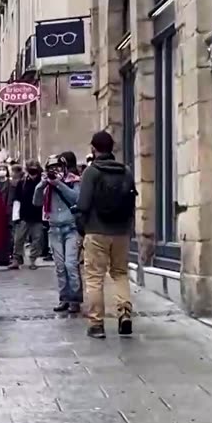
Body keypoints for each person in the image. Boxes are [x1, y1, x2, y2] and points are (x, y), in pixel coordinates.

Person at [78, 131, 137, 339]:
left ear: (94, 148)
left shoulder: (91, 172)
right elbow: (131, 202)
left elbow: (83, 204)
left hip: (96, 231)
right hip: (121, 232)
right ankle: (125, 313)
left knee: (94, 278)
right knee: (120, 273)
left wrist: (81, 225)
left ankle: (96, 323)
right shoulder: (126, 171)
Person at [35, 152, 83, 313]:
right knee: (60, 266)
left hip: (71, 228)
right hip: (54, 229)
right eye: (51, 169)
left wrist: (59, 184)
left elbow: (76, 198)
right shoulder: (46, 186)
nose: (55, 172)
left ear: (64, 168)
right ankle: (64, 298)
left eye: (57, 168)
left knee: (71, 264)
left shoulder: (73, 181)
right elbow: (36, 202)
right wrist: (41, 185)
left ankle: (75, 299)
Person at [11, 161, 45, 269]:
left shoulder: (42, 182)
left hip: (38, 216)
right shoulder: (23, 182)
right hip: (24, 215)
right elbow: (17, 199)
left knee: (37, 239)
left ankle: (33, 260)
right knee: (18, 239)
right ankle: (17, 259)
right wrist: (16, 216)